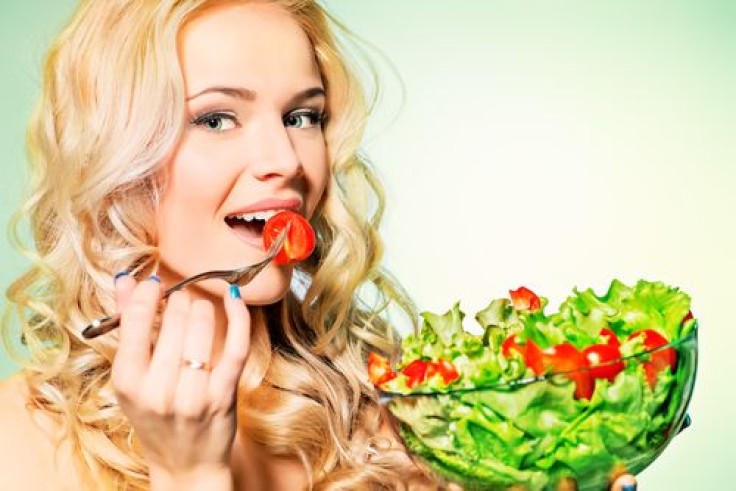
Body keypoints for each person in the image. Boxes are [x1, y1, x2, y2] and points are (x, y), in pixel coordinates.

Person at [0, 1, 637, 490]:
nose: (287, 160)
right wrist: (189, 475)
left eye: (303, 116)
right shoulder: (20, 442)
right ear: (116, 155)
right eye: (216, 118)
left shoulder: (395, 408)